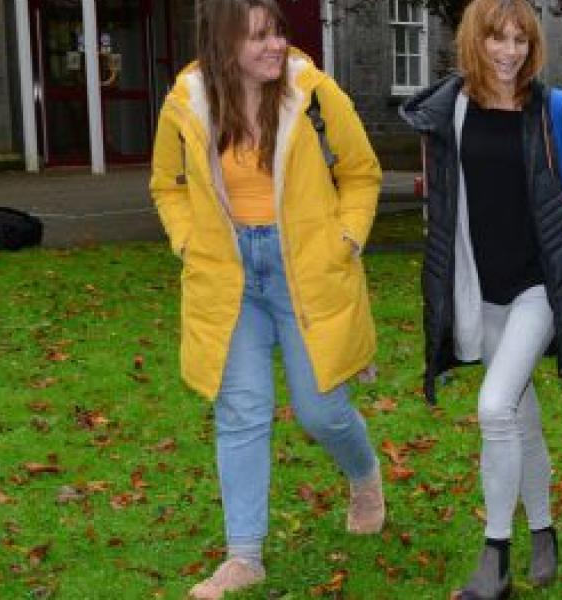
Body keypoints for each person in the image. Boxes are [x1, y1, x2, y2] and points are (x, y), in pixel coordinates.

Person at [147, 1, 384, 597]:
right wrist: (186, 242)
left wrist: (347, 237)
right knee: (241, 413)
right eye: (258, 38)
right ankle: (243, 556)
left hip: (305, 266)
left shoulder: (315, 94)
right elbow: (167, 185)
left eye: (276, 32)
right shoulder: (187, 103)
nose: (275, 46)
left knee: (320, 409)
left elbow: (361, 173)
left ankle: (364, 475)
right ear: (224, 44)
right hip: (227, 274)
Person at [399, 0, 562, 597]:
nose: (509, 51)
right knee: (520, 416)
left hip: (536, 287)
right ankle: (543, 529)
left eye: (519, 39)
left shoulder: (556, 110)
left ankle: (496, 557)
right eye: (497, 39)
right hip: (480, 290)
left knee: (493, 409)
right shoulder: (453, 111)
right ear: (474, 41)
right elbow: (442, 201)